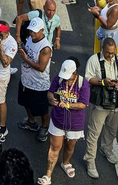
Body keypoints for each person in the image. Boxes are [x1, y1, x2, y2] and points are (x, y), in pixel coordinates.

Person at [83, 38, 118, 179]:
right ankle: (90, 160)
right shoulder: (93, 60)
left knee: (111, 129)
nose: (111, 55)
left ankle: (106, 149)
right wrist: (102, 82)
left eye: (113, 52)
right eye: (108, 53)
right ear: (102, 49)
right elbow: (88, 78)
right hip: (100, 103)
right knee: (94, 133)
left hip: (116, 103)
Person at [40, 57, 91, 185]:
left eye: (69, 77)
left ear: (75, 72)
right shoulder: (58, 79)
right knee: (54, 147)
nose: (66, 80)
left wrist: (68, 105)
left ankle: (65, 162)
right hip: (58, 119)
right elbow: (50, 92)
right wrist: (51, 99)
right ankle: (48, 175)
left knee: (70, 146)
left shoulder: (83, 83)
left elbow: (83, 104)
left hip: (75, 123)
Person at [18, 17, 53, 142]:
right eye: (31, 30)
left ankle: (44, 127)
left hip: (39, 84)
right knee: (25, 102)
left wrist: (25, 59)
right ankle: (31, 121)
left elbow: (41, 67)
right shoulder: (30, 39)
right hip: (26, 80)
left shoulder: (45, 48)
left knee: (42, 109)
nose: (32, 33)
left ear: (42, 30)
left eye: (35, 31)